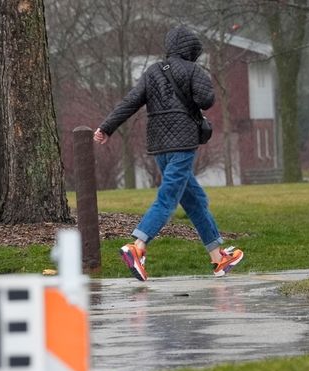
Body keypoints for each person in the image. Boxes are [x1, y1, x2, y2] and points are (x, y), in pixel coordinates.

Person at [93, 25, 243, 281]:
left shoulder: (152, 72)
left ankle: (218, 258)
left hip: (159, 146)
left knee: (196, 200)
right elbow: (206, 100)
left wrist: (106, 127)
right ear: (191, 50)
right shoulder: (194, 70)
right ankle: (137, 247)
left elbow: (130, 101)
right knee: (168, 199)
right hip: (182, 144)